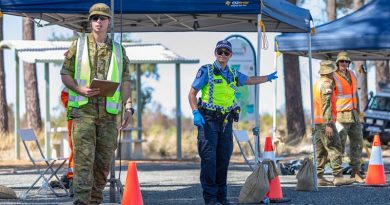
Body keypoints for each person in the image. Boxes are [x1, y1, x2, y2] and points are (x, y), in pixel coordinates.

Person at [188, 40, 278, 205]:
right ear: (215, 53)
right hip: (208, 121)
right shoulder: (206, 71)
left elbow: (249, 80)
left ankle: (221, 197)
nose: (222, 55)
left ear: (230, 55)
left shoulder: (232, 73)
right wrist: (195, 112)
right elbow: (192, 93)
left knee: (223, 159)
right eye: (220, 52)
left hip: (225, 122)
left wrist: (267, 78)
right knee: (209, 160)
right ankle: (210, 199)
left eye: (226, 52)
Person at [60, 3, 133, 204]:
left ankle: (94, 202)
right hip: (83, 113)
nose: (98, 21)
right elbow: (65, 74)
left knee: (102, 167)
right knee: (84, 164)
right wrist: (79, 89)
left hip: (109, 116)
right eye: (94, 18)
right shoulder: (78, 44)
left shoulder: (118, 49)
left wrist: (128, 107)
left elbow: (126, 80)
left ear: (109, 21)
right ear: (90, 21)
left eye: (102, 18)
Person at [313, 60, 354, 187]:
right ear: (330, 72)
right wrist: (329, 124)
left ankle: (318, 176)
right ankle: (338, 176)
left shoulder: (317, 83)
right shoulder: (326, 84)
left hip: (317, 122)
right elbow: (327, 106)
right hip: (326, 122)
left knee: (320, 151)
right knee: (335, 147)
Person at [333, 51, 365, 183]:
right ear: (337, 63)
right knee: (338, 145)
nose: (344, 64)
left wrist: (358, 111)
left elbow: (355, 94)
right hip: (340, 117)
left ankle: (355, 172)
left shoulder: (352, 74)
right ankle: (338, 174)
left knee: (358, 143)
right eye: (342, 61)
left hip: (354, 115)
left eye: (346, 61)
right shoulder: (333, 76)